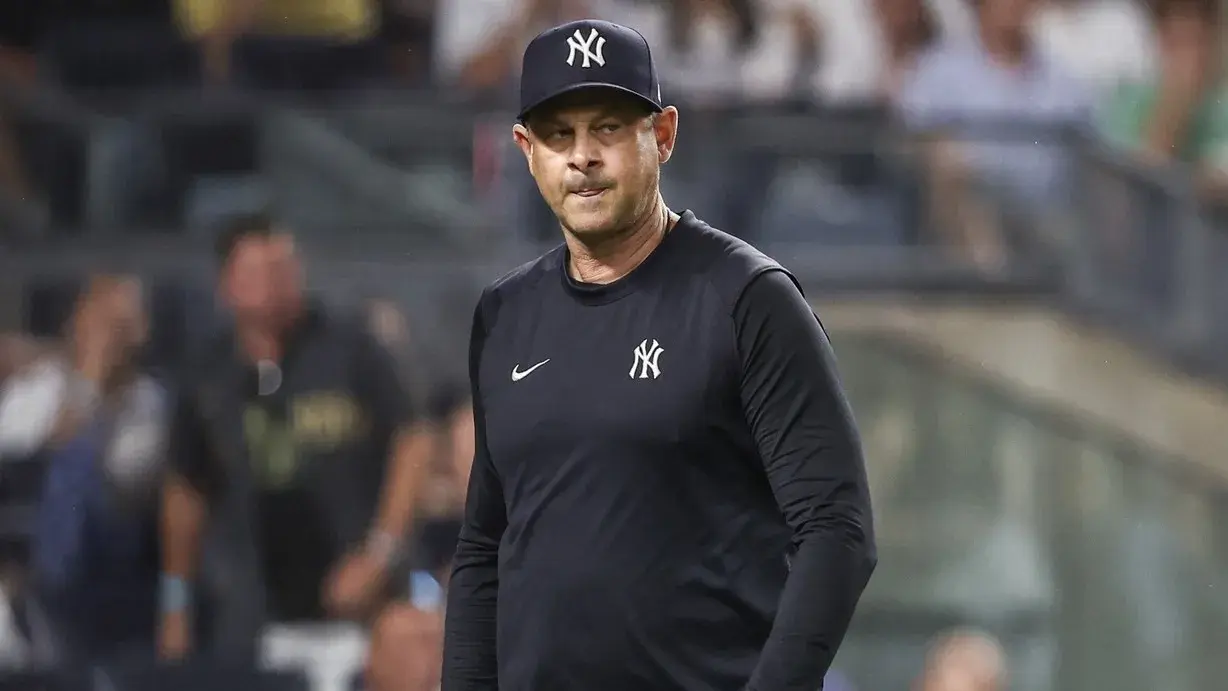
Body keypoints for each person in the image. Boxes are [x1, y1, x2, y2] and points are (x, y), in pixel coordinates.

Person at [442, 19, 876, 691]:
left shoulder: (746, 297)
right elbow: (483, 549)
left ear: (663, 135)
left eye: (608, 128)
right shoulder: (505, 314)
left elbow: (837, 529)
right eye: (559, 134)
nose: (582, 156)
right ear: (526, 150)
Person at [158, 214, 434, 670]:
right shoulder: (207, 378)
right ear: (227, 286)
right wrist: (174, 603)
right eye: (261, 272)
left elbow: (415, 439)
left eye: (285, 269)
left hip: (360, 608)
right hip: (254, 615)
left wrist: (381, 552)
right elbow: (184, 490)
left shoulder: (351, 348)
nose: (278, 284)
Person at [0, 275, 166, 665]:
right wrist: (85, 384)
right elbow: (16, 476)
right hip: (30, 552)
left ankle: (47, 598)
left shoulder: (151, 402)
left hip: (115, 560)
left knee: (78, 475)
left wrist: (94, 384)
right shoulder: (36, 389)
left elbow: (130, 486)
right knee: (62, 473)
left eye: (120, 325)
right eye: (100, 323)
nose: (108, 338)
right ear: (76, 325)